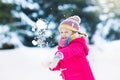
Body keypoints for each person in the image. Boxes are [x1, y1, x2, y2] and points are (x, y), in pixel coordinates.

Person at [49, 15, 95, 80]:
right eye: (61, 32)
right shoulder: (64, 47)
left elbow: (70, 50)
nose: (63, 34)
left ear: (73, 33)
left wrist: (59, 55)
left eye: (66, 32)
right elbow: (63, 63)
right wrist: (52, 65)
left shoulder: (78, 44)